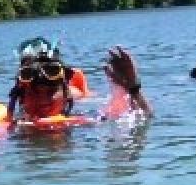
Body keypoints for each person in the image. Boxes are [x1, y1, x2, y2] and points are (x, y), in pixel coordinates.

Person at [9, 43, 150, 124]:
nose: (44, 99)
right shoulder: (11, 128)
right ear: (22, 98)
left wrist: (133, 88)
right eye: (35, 93)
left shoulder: (82, 123)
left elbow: (144, 119)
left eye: (51, 92)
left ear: (66, 94)